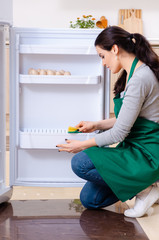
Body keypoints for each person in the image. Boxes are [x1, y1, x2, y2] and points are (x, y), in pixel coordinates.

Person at [57, 26, 159, 218]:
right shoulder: (132, 74)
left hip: (147, 153)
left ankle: (144, 190)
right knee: (90, 200)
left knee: (80, 163)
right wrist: (95, 125)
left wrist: (81, 145)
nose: (103, 63)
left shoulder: (140, 78)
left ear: (114, 49)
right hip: (134, 148)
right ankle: (144, 187)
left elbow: (120, 132)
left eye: (102, 56)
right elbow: (126, 120)